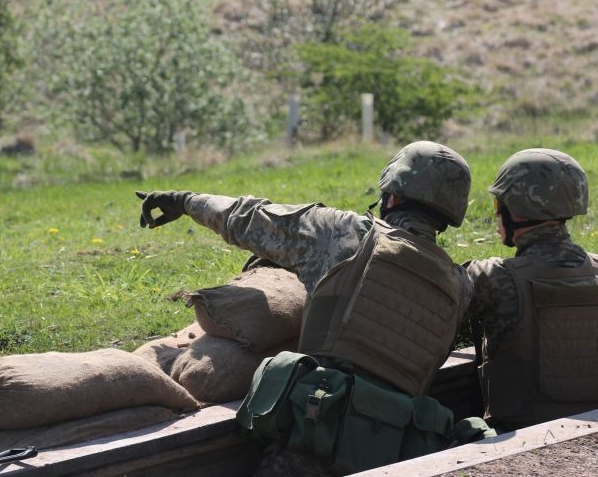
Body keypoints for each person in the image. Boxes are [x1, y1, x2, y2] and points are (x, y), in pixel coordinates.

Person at [137, 141, 476, 474]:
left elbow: (248, 218)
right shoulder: (459, 285)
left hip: (312, 437)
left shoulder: (344, 233)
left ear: (392, 195)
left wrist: (185, 201)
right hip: (392, 452)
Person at [464, 148, 598, 432]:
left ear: (515, 210)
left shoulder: (495, 277)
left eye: (497, 206)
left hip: (522, 437)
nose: (496, 216)